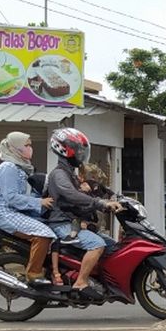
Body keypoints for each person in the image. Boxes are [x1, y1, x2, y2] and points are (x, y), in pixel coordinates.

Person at [45, 128, 121, 299]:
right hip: (62, 224)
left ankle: (99, 280)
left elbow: (89, 192)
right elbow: (72, 195)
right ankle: (81, 282)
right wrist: (99, 203)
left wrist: (110, 198)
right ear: (65, 150)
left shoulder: (70, 173)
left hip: (75, 222)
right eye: (78, 150)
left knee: (112, 246)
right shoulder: (59, 174)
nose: (81, 154)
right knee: (97, 244)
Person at [0, 132, 56, 286]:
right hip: (5, 212)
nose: (30, 148)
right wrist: (39, 202)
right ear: (15, 148)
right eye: (26, 145)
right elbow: (11, 197)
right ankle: (33, 274)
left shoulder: (22, 167)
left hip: (17, 211)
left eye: (30, 145)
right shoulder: (8, 167)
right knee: (43, 234)